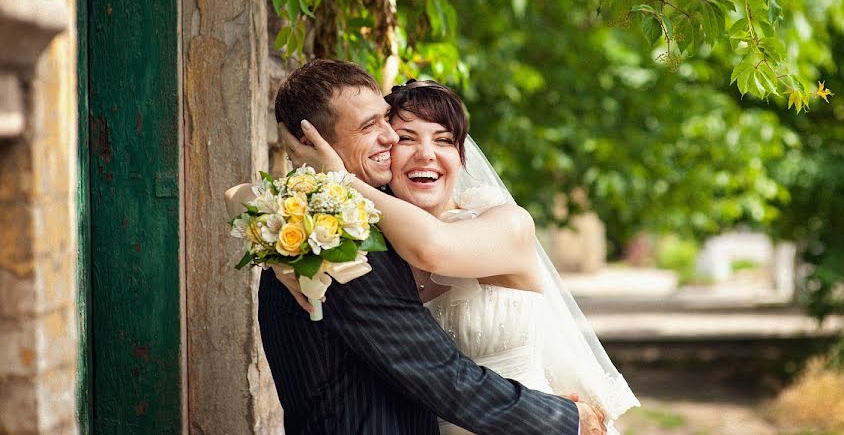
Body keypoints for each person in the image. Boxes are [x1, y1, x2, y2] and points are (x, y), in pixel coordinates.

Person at [229, 59, 605, 435]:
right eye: (399, 134)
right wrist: (562, 420)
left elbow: (432, 247)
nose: (391, 139)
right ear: (313, 143)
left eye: (444, 140)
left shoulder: (338, 227)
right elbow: (437, 372)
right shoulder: (332, 240)